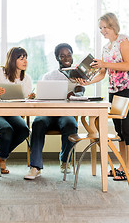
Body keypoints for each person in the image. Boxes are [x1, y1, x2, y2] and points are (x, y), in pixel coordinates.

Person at [76, 13, 129, 180]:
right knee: (119, 130)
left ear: (113, 26)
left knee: (126, 127)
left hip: (128, 88)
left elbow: (127, 65)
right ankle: (122, 166)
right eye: (100, 28)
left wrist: (104, 63)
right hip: (113, 90)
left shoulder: (124, 40)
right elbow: (103, 73)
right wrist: (86, 82)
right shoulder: (106, 48)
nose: (103, 31)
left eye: (105, 27)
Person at [24, 43, 85, 180]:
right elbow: (41, 96)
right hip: (48, 114)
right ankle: (35, 167)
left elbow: (81, 92)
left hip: (66, 114)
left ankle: (65, 161)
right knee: (38, 123)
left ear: (72, 55)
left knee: (71, 124)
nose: (66, 58)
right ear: (57, 58)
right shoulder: (49, 76)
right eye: (62, 56)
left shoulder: (78, 76)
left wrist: (75, 95)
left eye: (69, 55)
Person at [0, 47, 35, 174]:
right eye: (21, 58)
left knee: (24, 130)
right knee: (7, 129)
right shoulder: (0, 72)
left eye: (26, 58)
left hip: (12, 113)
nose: (25, 61)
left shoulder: (27, 78)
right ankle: (2, 160)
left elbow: (25, 98)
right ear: (13, 60)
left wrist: (31, 97)